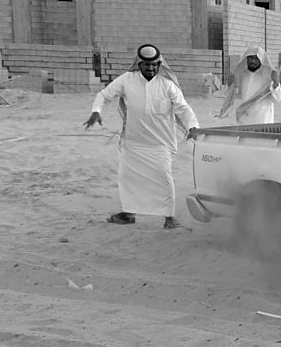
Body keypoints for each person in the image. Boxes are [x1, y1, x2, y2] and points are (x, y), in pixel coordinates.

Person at [84, 44, 199, 229]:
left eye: (154, 64)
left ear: (159, 64)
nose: (151, 68)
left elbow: (184, 108)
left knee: (163, 178)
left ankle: (169, 217)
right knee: (127, 177)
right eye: (146, 65)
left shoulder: (167, 84)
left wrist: (193, 126)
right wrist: (96, 111)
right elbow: (104, 95)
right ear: (139, 64)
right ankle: (128, 213)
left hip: (161, 143)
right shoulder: (127, 80)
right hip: (133, 142)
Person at [216, 45, 281, 124]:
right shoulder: (242, 74)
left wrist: (276, 85)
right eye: (250, 58)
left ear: (261, 60)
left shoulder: (268, 76)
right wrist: (229, 84)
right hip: (245, 117)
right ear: (246, 59)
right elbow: (232, 96)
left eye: (256, 58)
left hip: (262, 119)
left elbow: (277, 100)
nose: (253, 61)